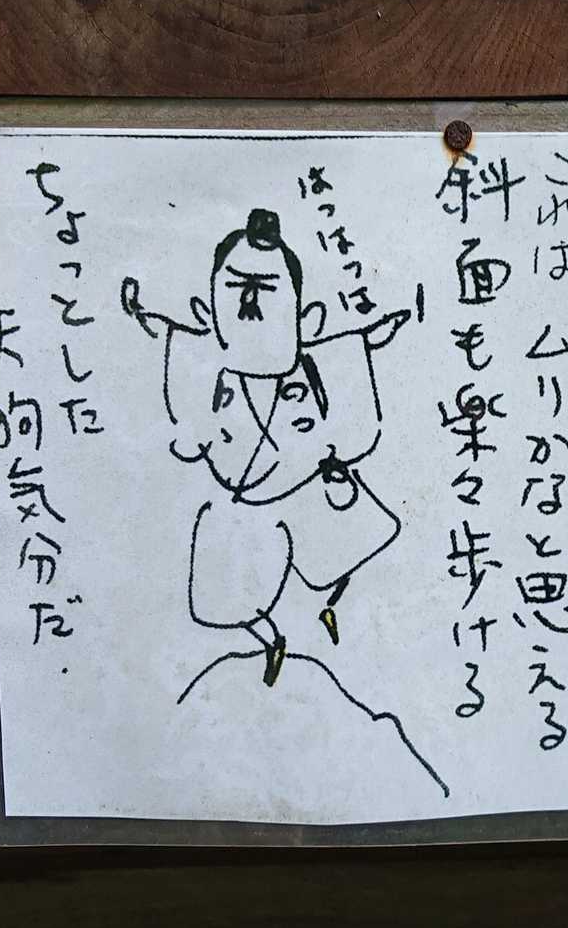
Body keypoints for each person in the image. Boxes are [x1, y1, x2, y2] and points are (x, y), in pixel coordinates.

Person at [123, 206, 410, 685]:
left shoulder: (312, 363)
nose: (250, 304)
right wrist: (141, 312)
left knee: (342, 558)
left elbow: (352, 348)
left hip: (305, 487)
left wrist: (376, 333)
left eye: (267, 289)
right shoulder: (206, 365)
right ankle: (272, 640)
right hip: (242, 504)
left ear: (303, 317)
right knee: (227, 596)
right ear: (208, 308)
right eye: (237, 288)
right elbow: (170, 334)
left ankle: (326, 611)